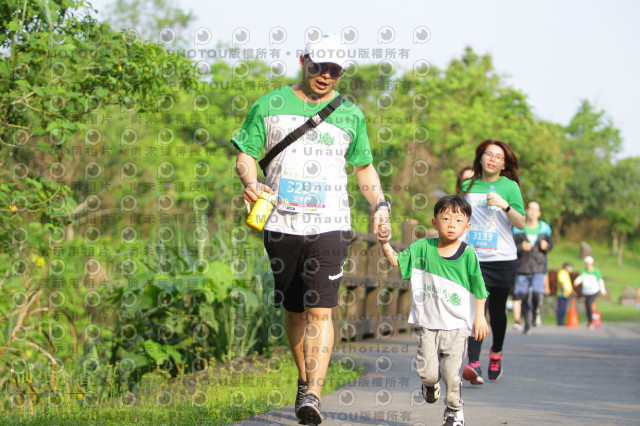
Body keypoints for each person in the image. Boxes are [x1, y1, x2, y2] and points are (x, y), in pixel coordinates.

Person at [231, 34, 391, 425]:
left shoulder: (350, 114)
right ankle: (305, 380)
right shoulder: (269, 105)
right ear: (303, 60)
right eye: (319, 66)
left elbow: (363, 167)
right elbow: (246, 155)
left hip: (331, 225)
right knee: (294, 312)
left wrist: (381, 205)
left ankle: (314, 394)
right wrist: (249, 182)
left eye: (335, 70)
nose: (326, 76)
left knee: (321, 310)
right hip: (281, 223)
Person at [377, 195, 488, 426]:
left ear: (467, 226)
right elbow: (396, 261)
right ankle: (430, 385)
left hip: (457, 326)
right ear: (435, 222)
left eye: (458, 221)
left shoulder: (468, 254)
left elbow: (479, 288)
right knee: (428, 373)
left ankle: (454, 412)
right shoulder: (421, 248)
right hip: (428, 325)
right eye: (446, 219)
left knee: (451, 374)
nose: (451, 224)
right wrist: (384, 243)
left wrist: (479, 316)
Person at [459, 140, 526, 384]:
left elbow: (521, 223)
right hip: (475, 259)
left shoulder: (510, 187)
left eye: (498, 157)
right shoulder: (468, 185)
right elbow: (459, 218)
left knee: (497, 312)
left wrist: (504, 205)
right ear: (481, 157)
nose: (492, 159)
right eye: (489, 154)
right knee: (477, 310)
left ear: (504, 164)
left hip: (502, 259)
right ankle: (473, 363)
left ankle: (496, 352)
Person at [512, 201, 553, 334]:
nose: (533, 212)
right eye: (531, 209)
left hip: (539, 267)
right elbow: (512, 246)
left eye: (536, 210)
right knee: (523, 297)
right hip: (523, 268)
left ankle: (535, 312)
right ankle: (527, 322)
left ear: (539, 213)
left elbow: (551, 245)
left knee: (536, 293)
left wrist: (546, 246)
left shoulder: (545, 228)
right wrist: (520, 247)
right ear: (527, 211)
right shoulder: (518, 228)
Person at [573, 256, 607, 329]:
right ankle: (589, 321)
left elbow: (600, 281)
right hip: (586, 291)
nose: (587, 265)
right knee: (587, 306)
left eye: (588, 264)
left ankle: (591, 321)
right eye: (586, 264)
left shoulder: (596, 271)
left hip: (594, 291)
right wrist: (576, 282)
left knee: (589, 304)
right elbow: (580, 278)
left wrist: (603, 290)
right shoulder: (584, 271)